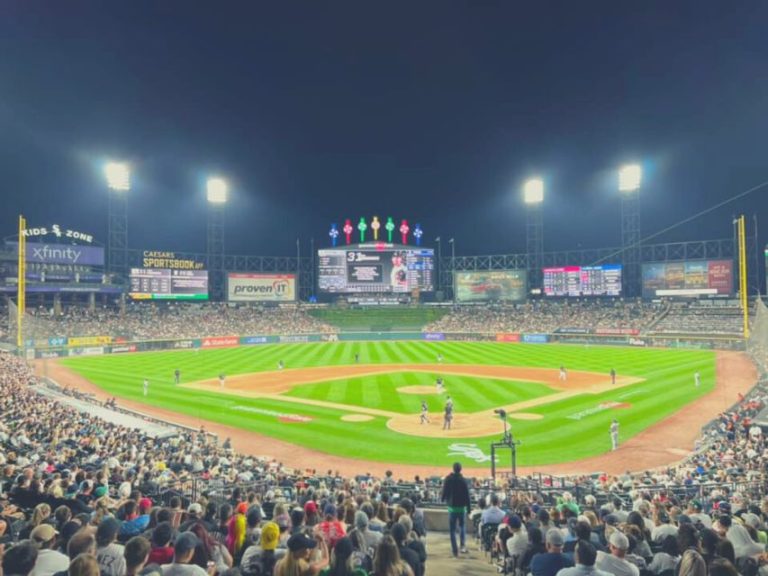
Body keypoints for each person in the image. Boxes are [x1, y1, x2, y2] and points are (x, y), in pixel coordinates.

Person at [441, 462, 470, 558]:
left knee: (452, 530)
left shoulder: (448, 479)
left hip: (452, 508)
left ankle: (455, 551)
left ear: (453, 469)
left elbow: (444, 491)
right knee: (462, 527)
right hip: (462, 508)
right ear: (460, 469)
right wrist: (469, 508)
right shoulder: (463, 480)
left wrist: (442, 499)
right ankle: (462, 546)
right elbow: (467, 495)